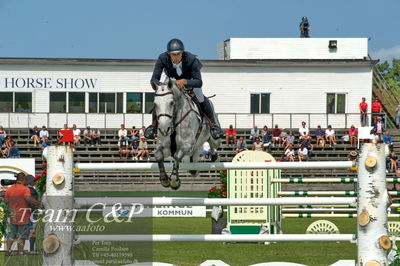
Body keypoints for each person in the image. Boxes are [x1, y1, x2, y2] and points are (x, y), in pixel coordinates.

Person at [146, 38, 222, 139]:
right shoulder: (162, 58)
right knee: (162, 99)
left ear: (182, 53)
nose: (176, 57)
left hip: (190, 81)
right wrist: (161, 86)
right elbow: (154, 79)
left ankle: (213, 125)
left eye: (178, 54)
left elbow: (199, 82)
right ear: (169, 54)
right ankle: (153, 126)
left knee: (200, 98)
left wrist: (185, 82)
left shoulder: (191, 59)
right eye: (173, 54)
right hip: (171, 80)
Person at [4, 173, 41, 256]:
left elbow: (6, 201)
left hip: (12, 214)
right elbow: (28, 199)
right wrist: (39, 204)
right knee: (22, 235)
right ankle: (20, 252)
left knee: (11, 234)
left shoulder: (9, 189)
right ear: (23, 179)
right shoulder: (25, 189)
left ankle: (8, 251)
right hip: (23, 215)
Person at [25, 175, 39, 255]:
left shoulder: (29, 189)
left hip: (28, 212)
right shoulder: (31, 190)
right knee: (32, 231)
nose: (35, 182)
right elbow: (32, 201)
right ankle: (31, 249)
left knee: (30, 231)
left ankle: (30, 249)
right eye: (34, 180)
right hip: (31, 212)